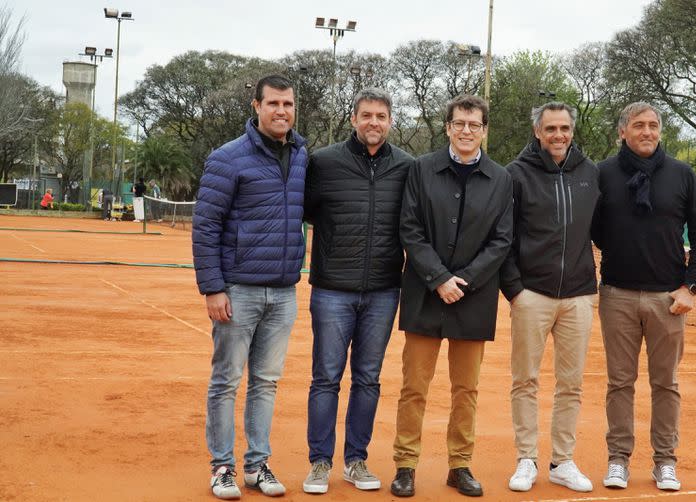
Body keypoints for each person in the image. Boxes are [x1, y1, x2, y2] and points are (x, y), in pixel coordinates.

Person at [390, 95, 514, 498]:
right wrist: (439, 278)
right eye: (459, 123)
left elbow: (502, 241)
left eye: (474, 125)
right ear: (447, 127)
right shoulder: (421, 170)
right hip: (425, 293)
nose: (466, 131)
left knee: (467, 390)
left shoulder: (501, 179)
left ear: (484, 130)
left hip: (474, 299)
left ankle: (459, 465)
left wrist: (465, 281)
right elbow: (409, 228)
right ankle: (405, 464)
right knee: (415, 387)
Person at [192, 74, 308, 500]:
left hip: (283, 292)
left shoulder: (300, 153)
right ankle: (222, 466)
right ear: (257, 106)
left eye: (289, 104)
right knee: (226, 380)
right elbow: (205, 225)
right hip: (236, 290)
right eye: (274, 103)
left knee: (266, 382)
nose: (282, 111)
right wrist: (213, 287)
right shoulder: (228, 157)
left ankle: (257, 465)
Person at [592, 102, 696, 492]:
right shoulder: (603, 174)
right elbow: (594, 230)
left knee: (666, 384)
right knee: (620, 383)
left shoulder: (682, 175)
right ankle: (618, 460)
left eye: (653, 125)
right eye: (638, 125)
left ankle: (665, 462)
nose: (647, 131)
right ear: (623, 131)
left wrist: (690, 286)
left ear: (660, 131)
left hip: (669, 299)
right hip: (616, 296)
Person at [302, 88, 413, 495]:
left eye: (381, 116)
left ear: (390, 121)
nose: (374, 122)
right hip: (332, 290)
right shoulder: (324, 162)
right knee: (326, 378)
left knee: (368, 379)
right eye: (366, 115)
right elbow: (306, 210)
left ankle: (355, 459)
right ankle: (319, 461)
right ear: (353, 119)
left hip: (384, 290)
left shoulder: (406, 167)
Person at [500, 102, 600, 493]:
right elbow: (503, 237)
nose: (558, 135)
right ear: (538, 132)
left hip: (578, 297)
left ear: (572, 131)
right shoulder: (515, 175)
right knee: (525, 380)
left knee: (571, 384)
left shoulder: (590, 174)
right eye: (550, 129)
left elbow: (604, 230)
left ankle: (562, 462)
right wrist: (515, 291)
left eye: (564, 128)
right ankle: (526, 459)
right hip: (531, 296)